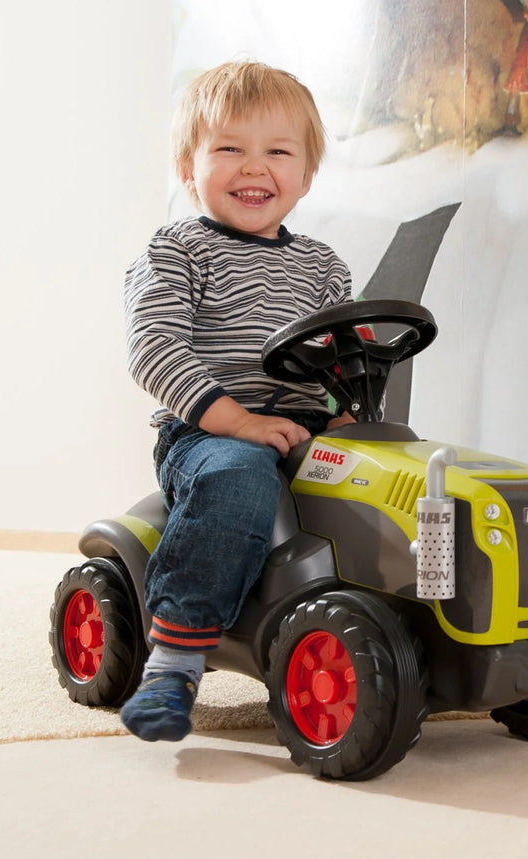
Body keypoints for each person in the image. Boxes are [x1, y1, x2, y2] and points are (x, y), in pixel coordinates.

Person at [118, 60, 353, 742]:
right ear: (188, 169)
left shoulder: (324, 267)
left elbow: (346, 359)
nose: (254, 167)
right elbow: (154, 347)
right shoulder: (177, 250)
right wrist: (238, 421)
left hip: (304, 432)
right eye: (229, 148)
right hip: (207, 434)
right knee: (239, 476)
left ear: (306, 175)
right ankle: (174, 659)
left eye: (278, 151)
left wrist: (349, 415)